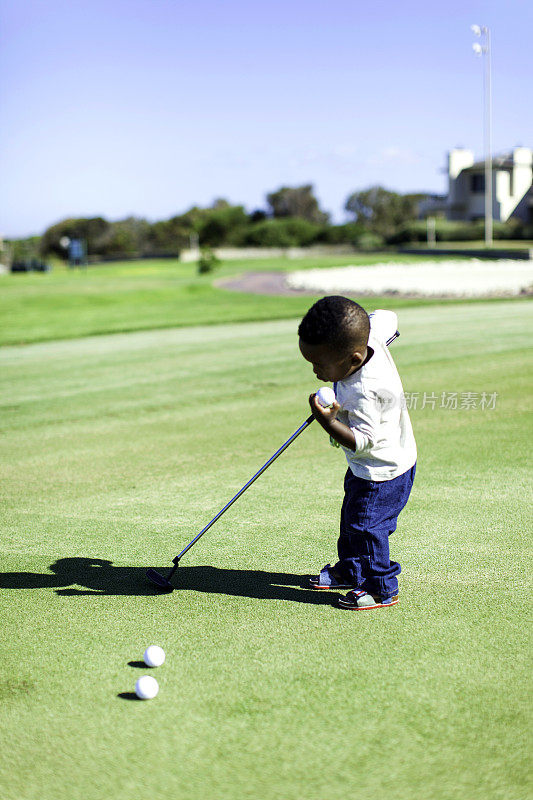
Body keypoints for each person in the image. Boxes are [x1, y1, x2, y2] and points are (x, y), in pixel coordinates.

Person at [298, 295, 417, 610]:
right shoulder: (370, 337)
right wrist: (373, 330)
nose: (315, 372)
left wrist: (328, 422)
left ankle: (380, 588)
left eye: (319, 365)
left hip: (383, 471)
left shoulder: (364, 391)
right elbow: (385, 316)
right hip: (368, 468)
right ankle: (352, 571)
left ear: (353, 360)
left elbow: (362, 441)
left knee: (367, 527)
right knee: (353, 519)